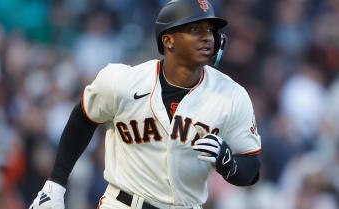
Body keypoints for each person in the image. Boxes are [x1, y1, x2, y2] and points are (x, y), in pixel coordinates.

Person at [29, 0, 262, 209]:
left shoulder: (232, 95)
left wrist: (228, 164)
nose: (208, 37)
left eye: (210, 30)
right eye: (194, 29)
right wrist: (55, 185)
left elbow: (251, 168)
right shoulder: (122, 81)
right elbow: (83, 118)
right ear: (168, 41)